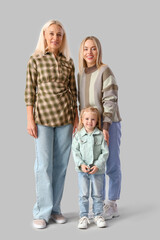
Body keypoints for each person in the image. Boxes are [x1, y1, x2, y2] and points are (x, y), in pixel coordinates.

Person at [24, 20, 78, 229]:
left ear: (63, 38)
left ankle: (55, 209)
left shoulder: (68, 62)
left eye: (59, 34)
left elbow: (73, 92)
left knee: (61, 165)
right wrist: (30, 119)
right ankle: (42, 211)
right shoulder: (35, 60)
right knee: (43, 165)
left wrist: (76, 117)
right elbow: (30, 92)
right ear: (45, 36)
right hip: (43, 119)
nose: (55, 38)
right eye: (52, 34)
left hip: (65, 118)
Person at [77, 36, 122, 220]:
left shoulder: (105, 71)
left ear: (98, 51)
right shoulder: (80, 75)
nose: (89, 52)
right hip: (90, 129)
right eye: (86, 49)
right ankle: (99, 204)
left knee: (111, 164)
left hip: (108, 125)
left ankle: (111, 203)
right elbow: (81, 104)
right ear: (82, 52)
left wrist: (105, 125)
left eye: (93, 48)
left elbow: (110, 98)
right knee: (97, 166)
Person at [72, 107, 109, 229]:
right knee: (83, 194)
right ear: (82, 120)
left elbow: (105, 152)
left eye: (93, 119)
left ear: (97, 121)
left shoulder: (100, 135)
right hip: (83, 171)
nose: (89, 122)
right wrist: (81, 164)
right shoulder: (78, 135)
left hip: (97, 171)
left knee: (98, 194)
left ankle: (98, 215)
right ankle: (83, 216)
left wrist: (98, 165)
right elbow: (75, 151)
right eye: (87, 119)